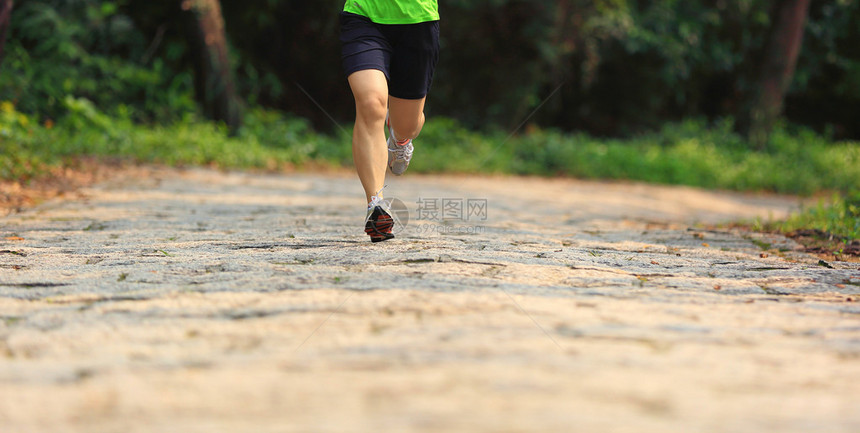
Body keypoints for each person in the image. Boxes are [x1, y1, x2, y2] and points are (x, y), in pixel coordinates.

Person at [339, 0, 440, 242]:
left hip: (418, 20)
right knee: (372, 104)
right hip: (363, 16)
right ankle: (376, 205)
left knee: (407, 123)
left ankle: (399, 136)